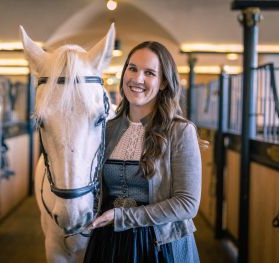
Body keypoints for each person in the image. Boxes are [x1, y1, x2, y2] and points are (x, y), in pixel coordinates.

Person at [83, 41, 202, 263]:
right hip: (109, 241)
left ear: (164, 82)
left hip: (159, 244)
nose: (137, 79)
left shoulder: (180, 130)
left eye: (149, 73)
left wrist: (122, 216)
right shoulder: (107, 129)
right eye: (133, 68)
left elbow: (187, 203)